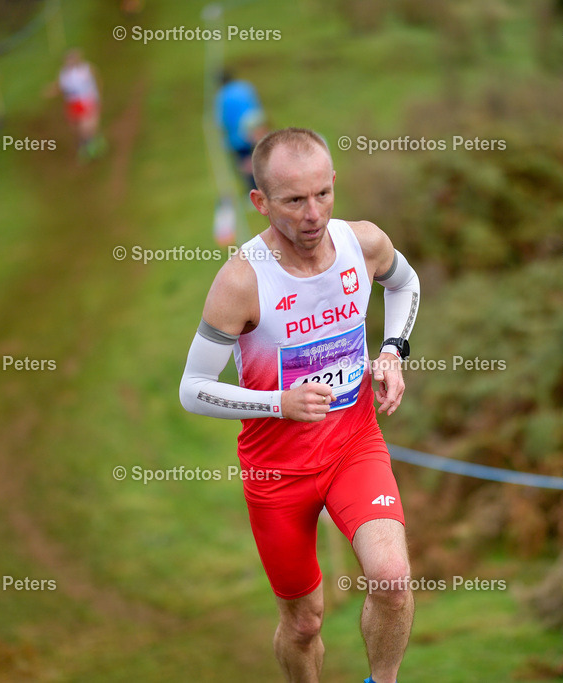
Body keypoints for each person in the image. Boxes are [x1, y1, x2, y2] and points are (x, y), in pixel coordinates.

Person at [179, 127, 419, 683]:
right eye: (293, 200)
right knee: (304, 622)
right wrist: (276, 402)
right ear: (260, 203)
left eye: (322, 194)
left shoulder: (363, 243)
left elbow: (405, 285)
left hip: (353, 445)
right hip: (276, 471)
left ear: (334, 183)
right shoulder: (241, 281)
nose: (312, 214)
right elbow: (192, 387)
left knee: (390, 577)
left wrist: (392, 350)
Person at [45, 49, 106, 162]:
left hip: (86, 100)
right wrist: (52, 91)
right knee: (76, 128)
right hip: (72, 103)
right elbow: (61, 87)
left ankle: (90, 147)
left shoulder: (87, 69)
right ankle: (90, 142)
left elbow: (98, 80)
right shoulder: (64, 73)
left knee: (86, 127)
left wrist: (98, 97)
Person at [215, 70, 268, 191]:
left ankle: (254, 189)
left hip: (237, 137)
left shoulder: (221, 96)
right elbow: (257, 105)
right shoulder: (245, 87)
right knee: (260, 159)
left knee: (246, 164)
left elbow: (220, 120)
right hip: (255, 131)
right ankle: (266, 187)